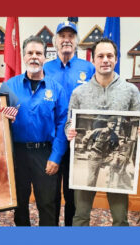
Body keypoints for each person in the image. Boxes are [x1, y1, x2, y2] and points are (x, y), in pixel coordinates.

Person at [66, 38, 140, 226]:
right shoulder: (79, 92)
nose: (105, 60)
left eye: (110, 56)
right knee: (81, 215)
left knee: (120, 218)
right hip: (94, 158)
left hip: (114, 160)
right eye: (100, 56)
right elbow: (69, 122)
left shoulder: (131, 91)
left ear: (116, 59)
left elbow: (139, 123)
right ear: (93, 60)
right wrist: (69, 132)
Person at [0, 35, 68, 226]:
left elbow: (62, 124)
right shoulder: (9, 87)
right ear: (23, 56)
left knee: (47, 203)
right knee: (19, 203)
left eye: (39, 53)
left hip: (45, 153)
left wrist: (56, 157)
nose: (34, 57)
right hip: (17, 153)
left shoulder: (56, 89)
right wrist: (5, 120)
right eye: (30, 53)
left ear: (45, 57)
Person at [44, 21, 95, 226]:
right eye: (62, 36)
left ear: (77, 42)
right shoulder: (45, 68)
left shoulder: (89, 68)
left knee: (74, 195)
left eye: (71, 36)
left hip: (78, 142)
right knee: (51, 194)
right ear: (55, 41)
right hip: (53, 140)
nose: (66, 39)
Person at [82, 116, 119, 187]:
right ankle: (89, 191)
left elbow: (116, 149)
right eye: (112, 123)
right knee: (92, 177)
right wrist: (85, 150)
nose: (113, 125)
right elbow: (85, 139)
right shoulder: (98, 131)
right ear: (108, 123)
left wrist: (114, 159)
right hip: (94, 156)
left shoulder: (114, 136)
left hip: (105, 157)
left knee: (111, 174)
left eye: (115, 124)